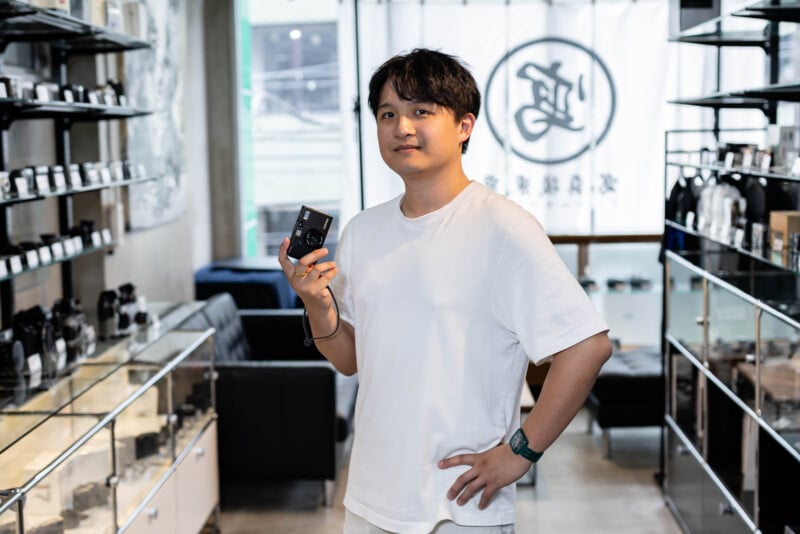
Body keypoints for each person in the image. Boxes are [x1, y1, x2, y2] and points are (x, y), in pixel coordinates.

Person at [278, 48, 612, 534]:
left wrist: (520, 453)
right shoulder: (363, 231)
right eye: (387, 114)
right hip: (370, 496)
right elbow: (353, 360)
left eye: (421, 111)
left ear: (464, 126)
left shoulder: (502, 227)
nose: (401, 127)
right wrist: (316, 303)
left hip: (458, 506)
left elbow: (588, 346)